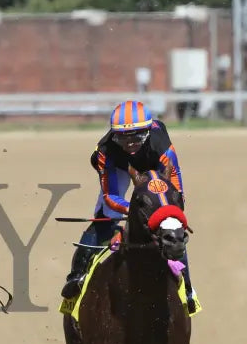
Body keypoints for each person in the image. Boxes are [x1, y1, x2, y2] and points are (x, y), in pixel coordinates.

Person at [60, 100, 197, 312]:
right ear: (114, 135)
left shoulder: (163, 147)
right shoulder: (106, 150)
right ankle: (76, 276)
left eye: (137, 136)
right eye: (123, 138)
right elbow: (111, 197)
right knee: (106, 216)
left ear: (148, 131)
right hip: (121, 168)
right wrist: (134, 212)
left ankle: (188, 289)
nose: (130, 143)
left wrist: (161, 214)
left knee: (172, 225)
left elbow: (177, 196)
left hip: (154, 166)